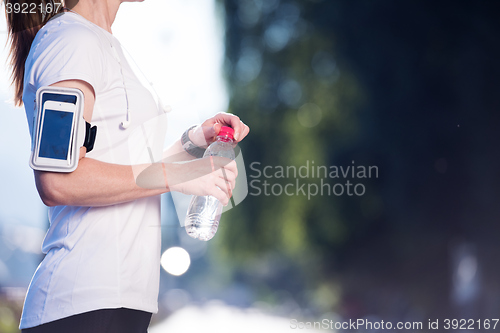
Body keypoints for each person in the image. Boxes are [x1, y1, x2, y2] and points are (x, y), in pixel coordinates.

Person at [4, 0, 250, 332]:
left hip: (123, 302)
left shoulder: (103, 42)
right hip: (82, 303)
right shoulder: (70, 42)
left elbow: (126, 166)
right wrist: (181, 176)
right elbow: (57, 180)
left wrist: (193, 142)